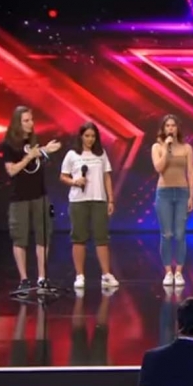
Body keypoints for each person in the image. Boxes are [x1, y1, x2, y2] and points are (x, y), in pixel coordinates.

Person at [2, 106, 62, 296]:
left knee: (43, 236)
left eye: (31, 120)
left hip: (40, 195)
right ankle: (24, 279)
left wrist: (46, 150)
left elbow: (38, 155)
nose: (31, 123)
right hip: (19, 197)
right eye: (26, 121)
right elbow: (12, 170)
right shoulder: (9, 144)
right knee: (20, 238)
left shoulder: (34, 141)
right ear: (17, 123)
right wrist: (30, 156)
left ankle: (42, 278)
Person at [59, 122, 119, 289]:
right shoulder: (72, 154)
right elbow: (63, 176)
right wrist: (74, 181)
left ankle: (106, 274)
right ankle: (79, 275)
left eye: (93, 136)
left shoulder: (101, 153)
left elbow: (107, 177)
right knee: (79, 238)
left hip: (99, 200)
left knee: (102, 238)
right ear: (81, 136)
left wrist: (111, 199)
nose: (90, 139)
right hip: (78, 201)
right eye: (87, 136)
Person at [151, 114, 193, 286]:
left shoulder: (187, 148)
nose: (170, 128)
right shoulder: (157, 147)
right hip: (164, 193)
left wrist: (191, 195)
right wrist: (166, 149)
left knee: (180, 233)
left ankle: (179, 272)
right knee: (167, 234)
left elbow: (190, 172)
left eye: (173, 125)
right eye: (167, 125)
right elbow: (159, 168)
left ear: (178, 128)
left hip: (182, 192)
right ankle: (168, 272)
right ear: (163, 129)